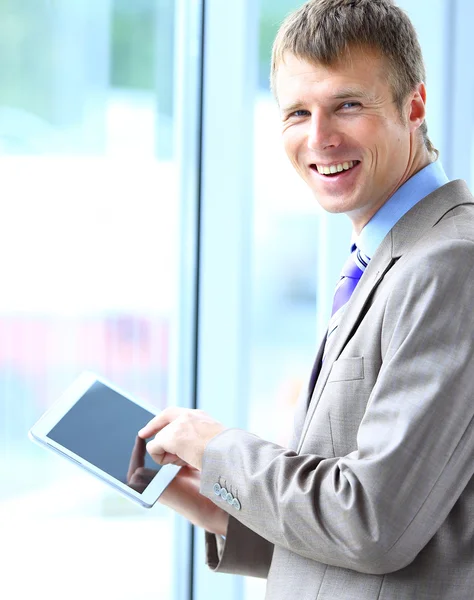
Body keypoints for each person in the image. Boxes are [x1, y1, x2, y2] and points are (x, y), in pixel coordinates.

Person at [138, 1, 474, 598]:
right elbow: (397, 534)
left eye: (347, 104)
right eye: (297, 112)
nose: (319, 138)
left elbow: (372, 522)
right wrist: (214, 501)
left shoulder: (450, 263)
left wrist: (215, 446)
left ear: (414, 105)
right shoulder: (389, 258)